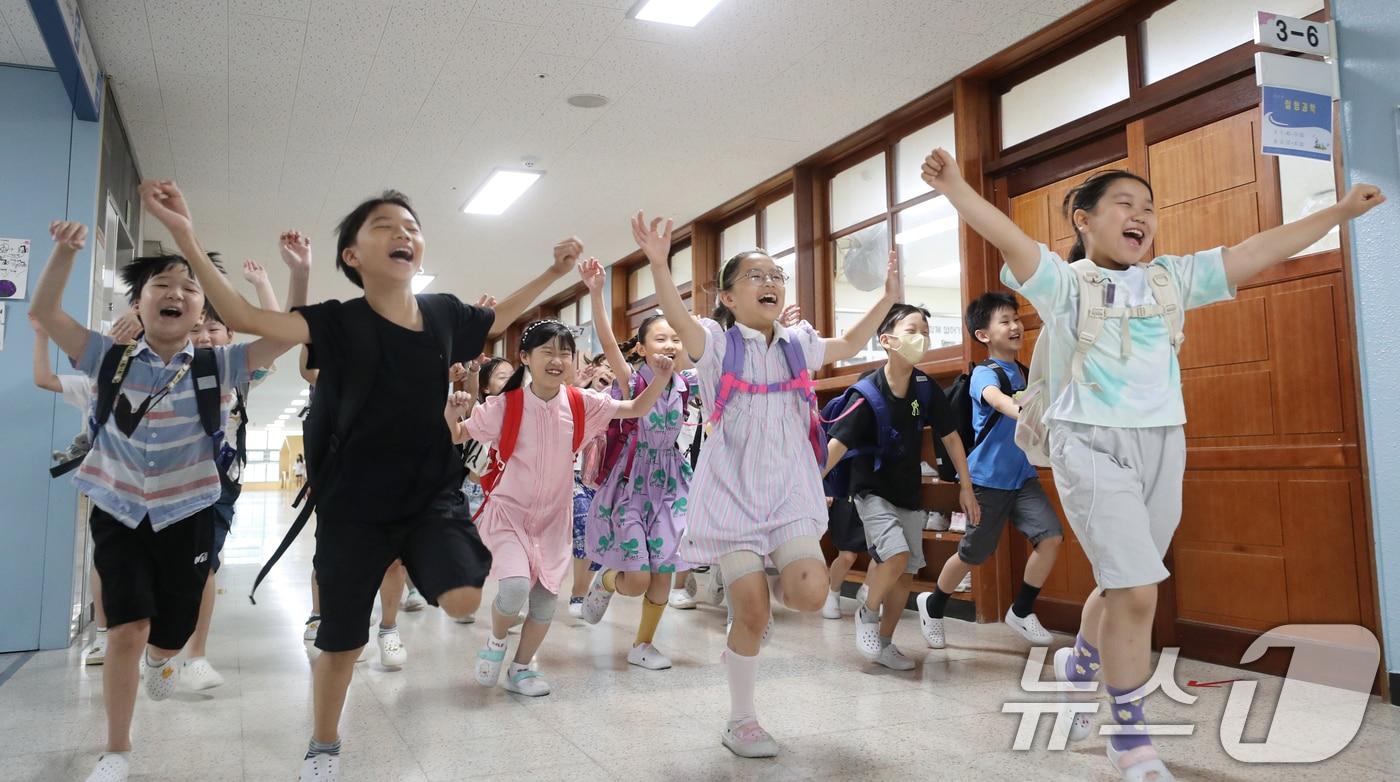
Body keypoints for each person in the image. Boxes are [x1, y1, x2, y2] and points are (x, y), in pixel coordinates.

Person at [921, 146, 1384, 782]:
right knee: (1139, 588)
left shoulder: (1170, 279)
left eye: (1150, 208)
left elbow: (1256, 250)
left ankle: (1080, 665)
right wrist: (955, 188)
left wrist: (1336, 211)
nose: (1142, 215)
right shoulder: (1066, 283)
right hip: (1089, 442)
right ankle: (1130, 737)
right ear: (1083, 219)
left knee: (1123, 584)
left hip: (1164, 443)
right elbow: (1008, 235)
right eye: (1125, 204)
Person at [137, 180, 576, 782]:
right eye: (384, 226)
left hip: (428, 495)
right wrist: (186, 234)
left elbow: (498, 315)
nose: (403, 233)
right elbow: (241, 316)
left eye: (411, 226)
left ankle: (413, 606)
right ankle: (323, 743)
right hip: (353, 504)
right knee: (342, 641)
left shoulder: (445, 312)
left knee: (465, 598)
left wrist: (553, 272)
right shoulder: (337, 323)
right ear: (352, 256)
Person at [31, 221, 296, 782]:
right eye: (161, 285)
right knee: (127, 626)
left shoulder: (218, 365)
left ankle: (164, 659)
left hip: (188, 510)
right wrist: (63, 253)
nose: (176, 293)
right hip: (118, 506)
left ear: (203, 311)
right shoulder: (106, 357)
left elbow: (289, 335)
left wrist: (297, 273)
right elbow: (48, 312)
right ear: (138, 302)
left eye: (190, 287)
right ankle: (117, 750)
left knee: (169, 632)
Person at [638, 209, 902, 758]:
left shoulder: (797, 343)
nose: (771, 283)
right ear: (729, 297)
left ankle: (745, 631)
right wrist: (660, 266)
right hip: (731, 494)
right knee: (754, 613)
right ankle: (742, 719)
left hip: (787, 492)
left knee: (809, 594)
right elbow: (679, 321)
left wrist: (887, 297)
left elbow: (851, 343)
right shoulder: (715, 342)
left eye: (777, 276)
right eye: (756, 276)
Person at [446, 320, 673, 696]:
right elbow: (457, 434)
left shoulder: (581, 403)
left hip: (553, 520)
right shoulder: (505, 405)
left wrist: (661, 379)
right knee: (516, 587)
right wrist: (452, 411)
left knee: (545, 601)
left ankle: (521, 669)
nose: (556, 360)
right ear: (526, 358)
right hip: (510, 514)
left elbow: (634, 408)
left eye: (563, 353)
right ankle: (497, 640)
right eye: (547, 352)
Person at [177, 246, 310, 691]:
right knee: (166, 569)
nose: (204, 337)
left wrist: (263, 285)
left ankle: (195, 653)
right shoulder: (167, 367)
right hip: (165, 482)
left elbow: (278, 334)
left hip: (218, 484)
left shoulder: (234, 370)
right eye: (196, 330)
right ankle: (158, 647)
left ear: (228, 334)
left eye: (213, 329)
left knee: (204, 567)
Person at [823, 303, 978, 670]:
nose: (921, 337)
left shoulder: (925, 389)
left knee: (906, 571)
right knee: (893, 554)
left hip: (908, 490)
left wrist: (966, 486)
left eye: (925, 330)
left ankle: (888, 643)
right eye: (912, 330)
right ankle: (867, 612)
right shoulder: (867, 393)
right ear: (887, 340)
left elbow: (952, 438)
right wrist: (807, 486)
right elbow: (836, 447)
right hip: (870, 489)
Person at [916, 292, 1063, 650]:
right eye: (1004, 321)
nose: (1015, 326)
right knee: (973, 554)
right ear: (983, 335)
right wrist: (1023, 410)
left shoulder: (1027, 370)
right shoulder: (985, 372)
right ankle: (933, 606)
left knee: (1051, 537)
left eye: (1016, 319)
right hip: (987, 482)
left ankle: (1022, 610)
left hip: (1023, 478)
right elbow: (996, 399)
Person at [576, 258, 696, 671]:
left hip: (671, 486)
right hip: (630, 485)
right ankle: (606, 581)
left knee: (663, 572)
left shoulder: (687, 384)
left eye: (676, 339)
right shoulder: (635, 381)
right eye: (661, 338)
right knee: (637, 579)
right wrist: (595, 292)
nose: (670, 345)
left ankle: (642, 644)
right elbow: (608, 342)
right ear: (643, 348)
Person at [31, 312, 140, 666]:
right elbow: (44, 379)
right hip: (108, 484)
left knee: (149, 562)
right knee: (106, 560)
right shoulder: (93, 384)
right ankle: (105, 636)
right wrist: (43, 336)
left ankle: (143, 638)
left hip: (154, 485)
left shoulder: (158, 378)